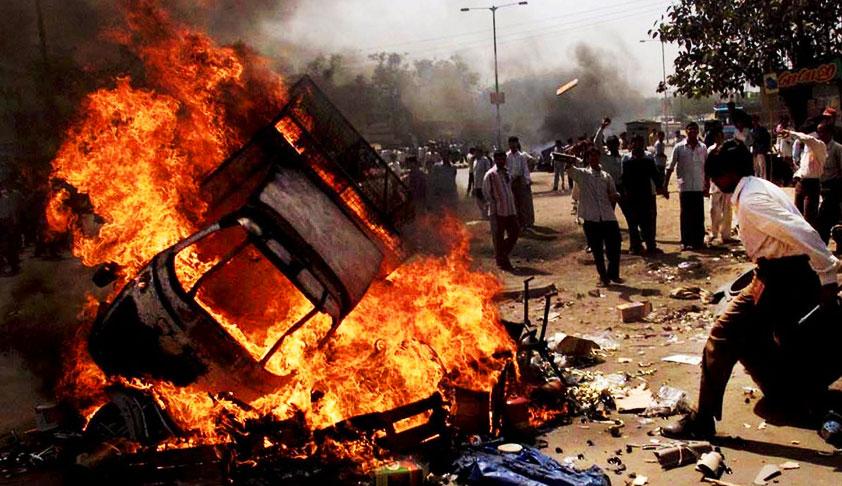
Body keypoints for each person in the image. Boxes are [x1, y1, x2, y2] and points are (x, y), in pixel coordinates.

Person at [662, 140, 842, 440]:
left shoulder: (753, 200)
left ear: (728, 174)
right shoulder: (758, 187)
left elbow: (806, 234)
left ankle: (703, 419)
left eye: (715, 176)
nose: (714, 183)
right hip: (775, 273)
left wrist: (827, 277)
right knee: (777, 337)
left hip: (781, 278)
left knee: (722, 335)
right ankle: (799, 397)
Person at [565, 146, 623, 286]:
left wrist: (615, 196)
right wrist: (569, 156)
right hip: (591, 218)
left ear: (599, 157)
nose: (593, 159)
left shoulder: (606, 176)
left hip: (608, 216)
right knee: (597, 250)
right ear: (587, 159)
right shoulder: (583, 174)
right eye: (590, 157)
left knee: (614, 246)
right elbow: (569, 169)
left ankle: (613, 274)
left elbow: (614, 194)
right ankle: (603, 278)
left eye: (596, 156)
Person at [665, 122, 708, 250]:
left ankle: (698, 241)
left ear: (698, 132)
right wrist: (665, 185)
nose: (693, 132)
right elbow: (670, 167)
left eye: (695, 130)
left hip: (699, 186)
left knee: (699, 215)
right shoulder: (679, 148)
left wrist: (707, 185)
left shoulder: (703, 147)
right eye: (690, 130)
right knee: (686, 215)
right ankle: (685, 241)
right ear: (686, 131)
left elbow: (706, 168)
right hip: (684, 186)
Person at [621, 136, 665, 254]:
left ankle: (651, 246)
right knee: (633, 222)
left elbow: (655, 174)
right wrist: (625, 193)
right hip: (632, 195)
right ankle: (635, 247)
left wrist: (660, 187)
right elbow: (624, 178)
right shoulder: (626, 159)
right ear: (631, 145)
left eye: (640, 143)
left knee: (648, 221)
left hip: (646, 194)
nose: (637, 146)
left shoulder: (648, 158)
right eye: (635, 143)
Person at [483, 151, 519, 271]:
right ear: (495, 160)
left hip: (510, 210)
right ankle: (503, 261)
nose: (501, 161)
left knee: (515, 232)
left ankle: (501, 254)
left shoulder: (507, 172)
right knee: (498, 237)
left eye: (503, 159)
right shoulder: (490, 175)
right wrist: (495, 206)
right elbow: (487, 194)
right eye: (499, 159)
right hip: (497, 211)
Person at [788, 123, 829, 230]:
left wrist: (790, 133)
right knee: (797, 216)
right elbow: (804, 167)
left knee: (808, 218)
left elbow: (808, 139)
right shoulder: (807, 149)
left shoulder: (820, 145)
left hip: (812, 185)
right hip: (801, 183)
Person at [706, 130, 733, 244]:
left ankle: (726, 235)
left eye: (721, 137)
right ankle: (714, 233)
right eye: (717, 137)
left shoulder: (728, 150)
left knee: (727, 209)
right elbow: (707, 167)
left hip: (727, 184)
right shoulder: (710, 150)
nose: (719, 139)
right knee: (714, 210)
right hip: (715, 183)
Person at [818, 124, 842, 243]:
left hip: (833, 186)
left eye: (822, 132)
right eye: (819, 132)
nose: (820, 135)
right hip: (820, 185)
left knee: (825, 217)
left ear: (829, 133)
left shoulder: (837, 148)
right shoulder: (818, 148)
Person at [506, 137, 535, 229]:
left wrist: (527, 180)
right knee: (513, 204)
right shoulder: (506, 156)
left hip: (520, 181)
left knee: (523, 203)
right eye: (511, 143)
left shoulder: (522, 156)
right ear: (509, 144)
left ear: (517, 143)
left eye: (515, 143)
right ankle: (516, 224)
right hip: (510, 182)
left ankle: (524, 223)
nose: (513, 145)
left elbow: (525, 169)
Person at [0, 181, 22, 276]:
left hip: (6, 224)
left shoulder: (6, 199)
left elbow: (12, 213)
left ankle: (14, 266)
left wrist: (13, 224)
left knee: (9, 247)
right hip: (2, 224)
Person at [472, 148, 493, 220]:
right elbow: (475, 174)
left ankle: (486, 214)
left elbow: (488, 171)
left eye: (477, 152)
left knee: (485, 199)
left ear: (480, 153)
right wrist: (474, 186)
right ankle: (483, 213)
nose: (475, 154)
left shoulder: (485, 160)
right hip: (477, 184)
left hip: (484, 184)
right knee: (478, 201)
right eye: (475, 153)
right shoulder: (475, 161)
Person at [750, 115, 772, 180]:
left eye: (755, 120)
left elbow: (767, 138)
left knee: (762, 168)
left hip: (761, 150)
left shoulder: (762, 129)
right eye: (753, 120)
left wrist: (767, 148)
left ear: (757, 120)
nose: (754, 122)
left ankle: (764, 181)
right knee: (756, 168)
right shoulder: (752, 130)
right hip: (755, 151)